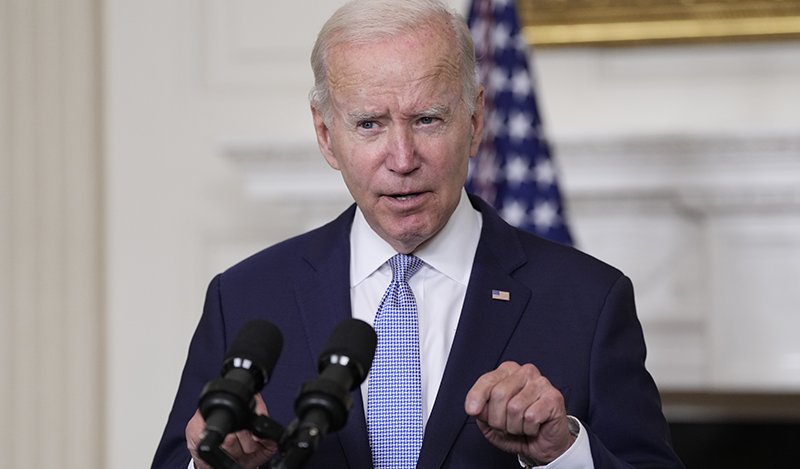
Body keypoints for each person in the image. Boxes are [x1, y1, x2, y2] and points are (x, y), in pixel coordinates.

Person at [151, 0, 684, 468]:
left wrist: (561, 451)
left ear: (474, 122)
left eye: (427, 119)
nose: (402, 159)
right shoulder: (245, 297)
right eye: (369, 124)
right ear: (325, 135)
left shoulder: (587, 300)